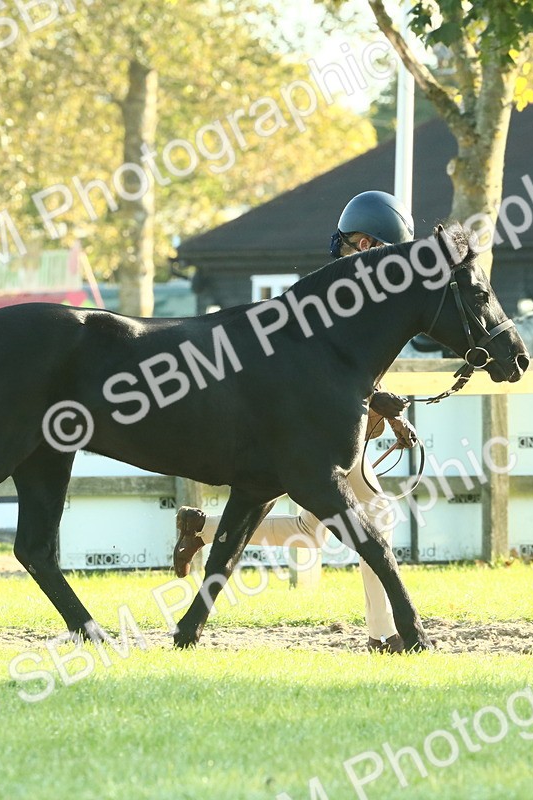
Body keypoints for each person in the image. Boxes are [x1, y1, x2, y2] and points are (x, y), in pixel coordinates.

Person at [173, 190, 419, 654]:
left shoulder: (346, 293)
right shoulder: (343, 297)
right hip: (317, 432)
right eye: (391, 254)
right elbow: (323, 377)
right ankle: (385, 633)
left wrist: (381, 404)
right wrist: (379, 401)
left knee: (312, 531)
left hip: (320, 429)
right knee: (375, 518)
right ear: (367, 246)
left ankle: (201, 530)